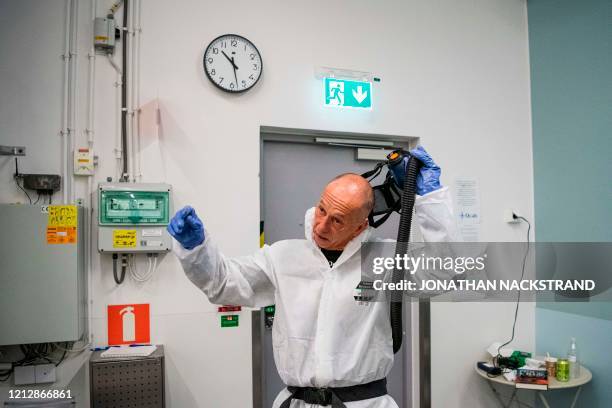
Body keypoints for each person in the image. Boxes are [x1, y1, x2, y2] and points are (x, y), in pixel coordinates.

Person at [168, 146, 457, 408]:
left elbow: (445, 271)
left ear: (359, 229)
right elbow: (223, 284)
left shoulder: (384, 258)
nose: (321, 225)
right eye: (322, 210)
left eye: (338, 220)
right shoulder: (282, 257)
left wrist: (431, 200)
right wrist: (197, 248)